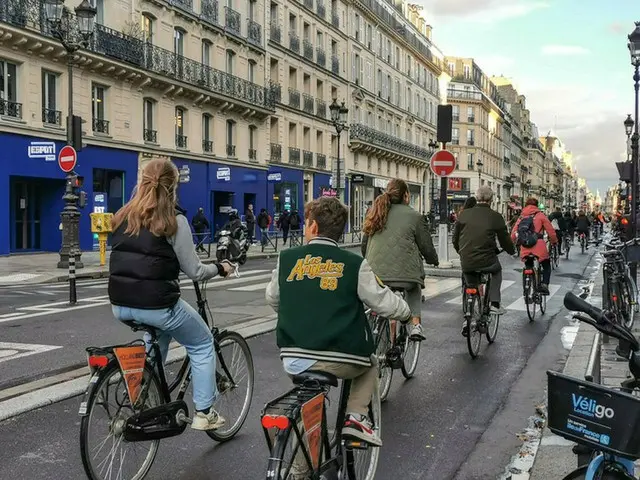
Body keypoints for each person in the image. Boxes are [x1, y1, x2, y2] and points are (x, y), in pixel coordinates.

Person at [265, 196, 411, 449]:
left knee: (309, 401)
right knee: (371, 364)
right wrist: (406, 312)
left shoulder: (287, 258)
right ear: (341, 231)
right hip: (342, 359)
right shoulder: (354, 264)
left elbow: (273, 298)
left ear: (311, 227)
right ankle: (355, 417)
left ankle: (300, 470)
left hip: (293, 356)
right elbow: (382, 302)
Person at [108, 158, 234, 431]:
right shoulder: (173, 221)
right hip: (157, 304)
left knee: (157, 337)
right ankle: (205, 413)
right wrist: (220, 268)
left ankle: (143, 393)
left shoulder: (122, 216)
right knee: (201, 345)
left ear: (141, 183)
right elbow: (195, 271)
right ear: (173, 186)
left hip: (120, 305)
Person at [361, 179, 438, 341]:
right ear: (406, 196)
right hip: (405, 277)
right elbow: (426, 247)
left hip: (376, 275)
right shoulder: (415, 216)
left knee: (377, 299)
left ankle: (377, 329)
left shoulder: (375, 213)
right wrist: (433, 260)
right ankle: (416, 324)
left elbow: (364, 246)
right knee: (414, 288)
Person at [453, 186, 516, 336]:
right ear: (491, 199)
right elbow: (505, 240)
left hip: (467, 261)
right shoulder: (495, 216)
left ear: (477, 197)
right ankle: (494, 303)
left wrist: (461, 253)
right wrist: (512, 250)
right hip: (487, 260)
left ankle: (468, 315)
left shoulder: (464, 214)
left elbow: (455, 239)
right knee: (497, 271)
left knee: (471, 285)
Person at [511, 198, 557, 295]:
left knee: (528, 265)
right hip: (539, 246)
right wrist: (554, 241)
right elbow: (551, 231)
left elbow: (513, 234)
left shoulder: (521, 217)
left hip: (525, 247)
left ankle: (527, 286)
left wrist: (513, 243)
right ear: (536, 205)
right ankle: (544, 285)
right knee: (546, 265)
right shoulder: (541, 215)